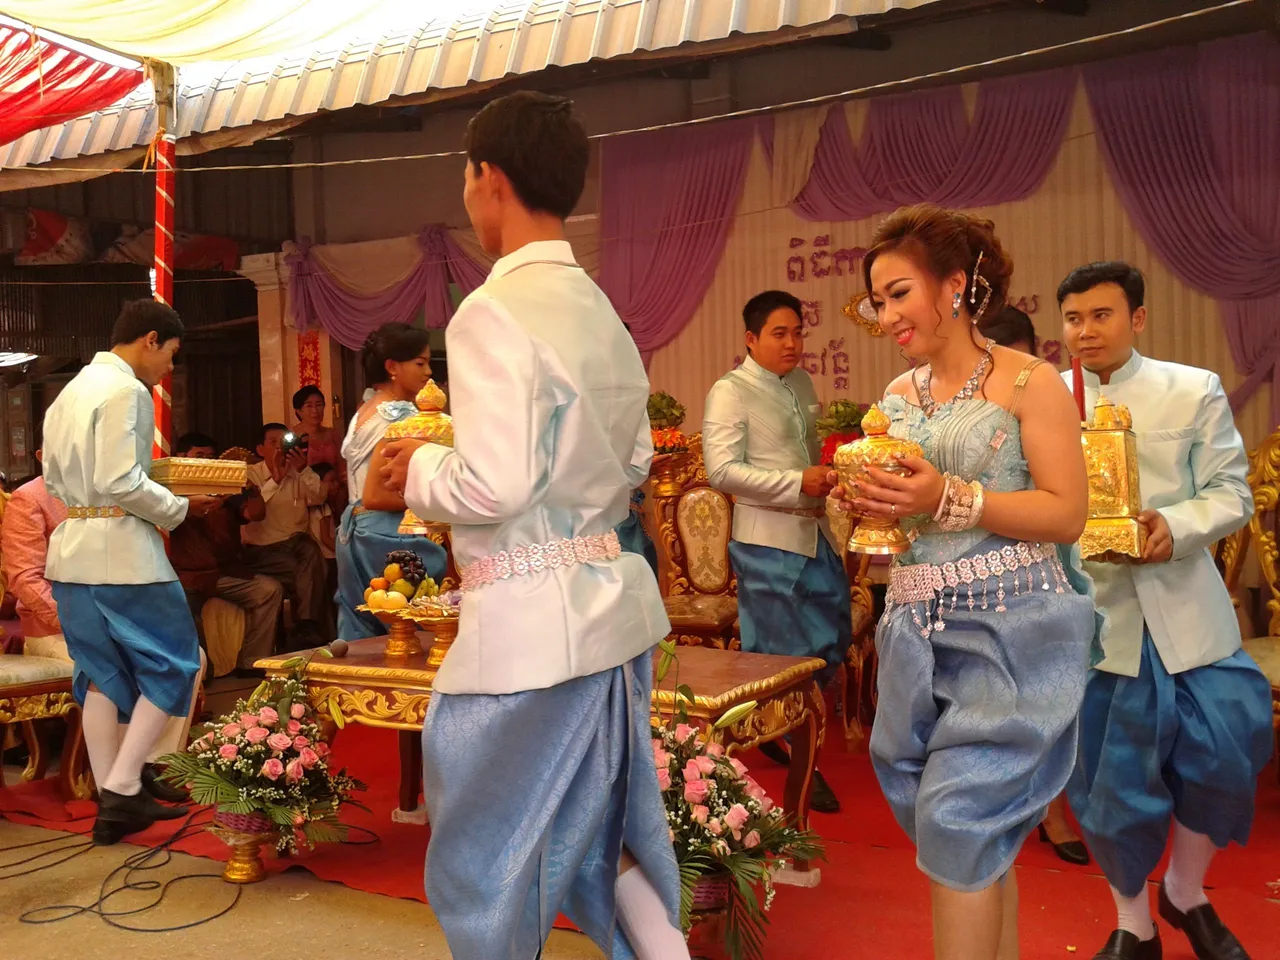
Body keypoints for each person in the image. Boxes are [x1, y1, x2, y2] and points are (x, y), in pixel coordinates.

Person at [380, 91, 685, 960]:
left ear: (488, 178)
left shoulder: (490, 310)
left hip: (527, 625)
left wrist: (422, 466)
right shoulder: (596, 306)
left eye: (465, 177)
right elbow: (633, 462)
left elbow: (498, 483)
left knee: (483, 862)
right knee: (611, 834)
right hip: (608, 606)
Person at [829, 204, 1095, 960]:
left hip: (1011, 631)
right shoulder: (896, 399)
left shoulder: (1030, 383)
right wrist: (875, 505)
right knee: (965, 835)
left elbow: (1067, 513)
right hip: (916, 632)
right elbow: (904, 521)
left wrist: (948, 496)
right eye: (876, 302)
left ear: (955, 286)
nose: (885, 316)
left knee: (957, 821)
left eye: (898, 294)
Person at [1057, 262, 1273, 960]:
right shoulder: (1043, 402)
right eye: (1072, 318)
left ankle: (1184, 890)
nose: (1085, 331)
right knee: (1108, 783)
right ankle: (1133, 924)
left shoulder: (1191, 389)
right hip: (1095, 619)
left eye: (1101, 314)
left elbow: (1230, 492)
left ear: (1137, 318)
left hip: (1186, 607)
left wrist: (1173, 528)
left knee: (1227, 749)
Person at [42, 299, 223, 843]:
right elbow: (121, 480)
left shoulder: (68, 391)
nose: (170, 366)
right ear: (150, 339)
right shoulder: (128, 390)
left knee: (102, 672)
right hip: (122, 554)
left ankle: (113, 793)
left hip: (72, 548)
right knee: (176, 663)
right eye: (171, 353)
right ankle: (123, 786)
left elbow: (53, 480)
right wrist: (180, 506)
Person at [702, 288, 850, 814]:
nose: (792, 343)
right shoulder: (731, 390)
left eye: (797, 332)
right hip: (767, 539)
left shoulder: (803, 382)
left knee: (831, 640)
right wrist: (797, 481)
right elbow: (721, 470)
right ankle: (795, 749)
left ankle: (787, 732)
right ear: (751, 338)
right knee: (782, 661)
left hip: (815, 535)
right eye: (779, 333)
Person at [978, 305, 1090, 869]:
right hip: (991, 578)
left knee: (1060, 689)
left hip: (1060, 561)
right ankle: (1028, 808)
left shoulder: (1044, 390)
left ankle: (1059, 808)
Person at [334, 323, 447, 640]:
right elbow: (376, 495)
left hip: (352, 530)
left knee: (361, 629)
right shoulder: (403, 415)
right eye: (420, 363)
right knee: (413, 630)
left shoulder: (365, 409)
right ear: (392, 367)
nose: (428, 373)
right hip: (389, 534)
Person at [168, 432, 283, 674]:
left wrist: (252, 491)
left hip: (225, 572)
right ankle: (200, 673)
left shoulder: (225, 488)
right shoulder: (170, 492)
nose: (206, 462)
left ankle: (251, 661)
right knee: (182, 604)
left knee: (269, 590)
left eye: (211, 457)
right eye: (199, 456)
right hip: (188, 575)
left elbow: (256, 514)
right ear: (181, 457)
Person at [242, 423, 333, 640]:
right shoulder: (250, 475)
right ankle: (308, 630)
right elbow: (251, 511)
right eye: (272, 442)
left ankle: (306, 628)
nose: (279, 447)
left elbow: (319, 496)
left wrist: (303, 469)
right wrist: (275, 479)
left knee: (312, 555)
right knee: (312, 571)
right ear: (260, 449)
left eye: (283, 442)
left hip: (297, 545)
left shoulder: (297, 473)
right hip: (262, 549)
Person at [292, 385, 345, 484]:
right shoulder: (292, 437)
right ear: (299, 411)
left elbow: (342, 469)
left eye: (319, 404)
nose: (315, 411)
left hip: (334, 493)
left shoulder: (333, 434)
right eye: (309, 406)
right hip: (304, 493)